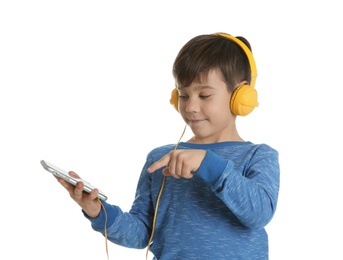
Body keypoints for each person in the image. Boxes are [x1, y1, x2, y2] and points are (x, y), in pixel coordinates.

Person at [57, 32, 280, 259]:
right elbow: (142, 232)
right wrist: (98, 212)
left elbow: (259, 214)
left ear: (240, 96)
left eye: (204, 95)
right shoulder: (161, 158)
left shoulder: (258, 156)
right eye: (183, 95)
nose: (191, 106)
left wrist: (208, 163)